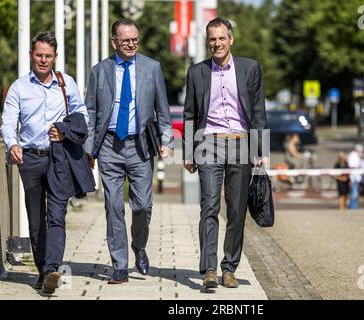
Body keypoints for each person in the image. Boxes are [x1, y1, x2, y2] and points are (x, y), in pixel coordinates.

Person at [84, 19, 173, 284]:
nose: (132, 44)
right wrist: (89, 148)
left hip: (141, 145)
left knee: (143, 206)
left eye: (135, 39)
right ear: (114, 42)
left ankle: (139, 246)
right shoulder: (100, 71)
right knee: (113, 206)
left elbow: (163, 112)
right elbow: (90, 111)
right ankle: (120, 265)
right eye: (126, 40)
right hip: (110, 146)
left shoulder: (152, 68)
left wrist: (166, 141)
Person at [0, 31, 90, 293]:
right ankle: (42, 270)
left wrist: (63, 130)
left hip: (59, 157)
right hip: (29, 158)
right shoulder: (19, 87)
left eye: (48, 56)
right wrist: (12, 143)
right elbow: (8, 121)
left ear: (55, 57)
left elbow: (81, 114)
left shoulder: (66, 83)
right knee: (36, 219)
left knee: (57, 215)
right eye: (39, 55)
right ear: (31, 55)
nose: (43, 60)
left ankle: (52, 268)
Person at [183, 17, 267, 289]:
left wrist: (261, 150)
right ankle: (208, 268)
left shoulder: (250, 68)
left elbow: (258, 111)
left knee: (236, 210)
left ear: (231, 39)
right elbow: (189, 114)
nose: (216, 43)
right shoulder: (196, 72)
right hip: (208, 143)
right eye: (212, 39)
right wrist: (188, 151)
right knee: (209, 205)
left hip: (241, 142)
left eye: (221, 38)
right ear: (207, 42)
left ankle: (229, 268)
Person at [347, 144, 364, 209]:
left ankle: (354, 206)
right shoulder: (353, 156)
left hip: (357, 178)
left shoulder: (357, 156)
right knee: (353, 194)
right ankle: (353, 207)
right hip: (354, 178)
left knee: (356, 193)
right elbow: (352, 166)